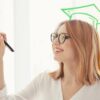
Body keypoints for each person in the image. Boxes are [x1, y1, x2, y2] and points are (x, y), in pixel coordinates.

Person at [0, 20, 100, 100]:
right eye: (55, 36)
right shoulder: (44, 80)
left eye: (62, 37)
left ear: (82, 44)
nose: (55, 42)